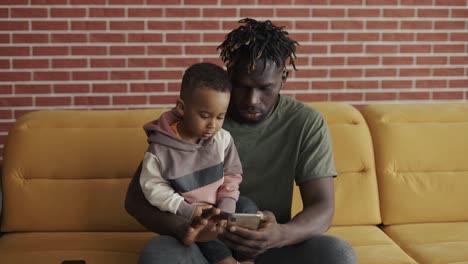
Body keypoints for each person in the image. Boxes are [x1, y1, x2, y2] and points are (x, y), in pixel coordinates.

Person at [125, 18, 357, 263]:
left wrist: (280, 234)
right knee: (158, 254)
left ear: (283, 78)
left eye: (265, 88)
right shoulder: (194, 120)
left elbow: (323, 207)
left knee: (338, 254)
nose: (251, 100)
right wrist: (184, 227)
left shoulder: (305, 122)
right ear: (229, 73)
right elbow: (135, 200)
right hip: (201, 243)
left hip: (267, 245)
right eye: (242, 86)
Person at [138, 62, 257, 264]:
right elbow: (154, 189)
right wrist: (187, 209)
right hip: (190, 213)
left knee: (247, 207)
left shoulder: (223, 139)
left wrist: (227, 204)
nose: (213, 125)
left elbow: (232, 174)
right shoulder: (160, 150)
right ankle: (225, 260)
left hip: (220, 204)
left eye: (220, 117)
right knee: (202, 227)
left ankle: (247, 259)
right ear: (182, 108)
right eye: (205, 116)